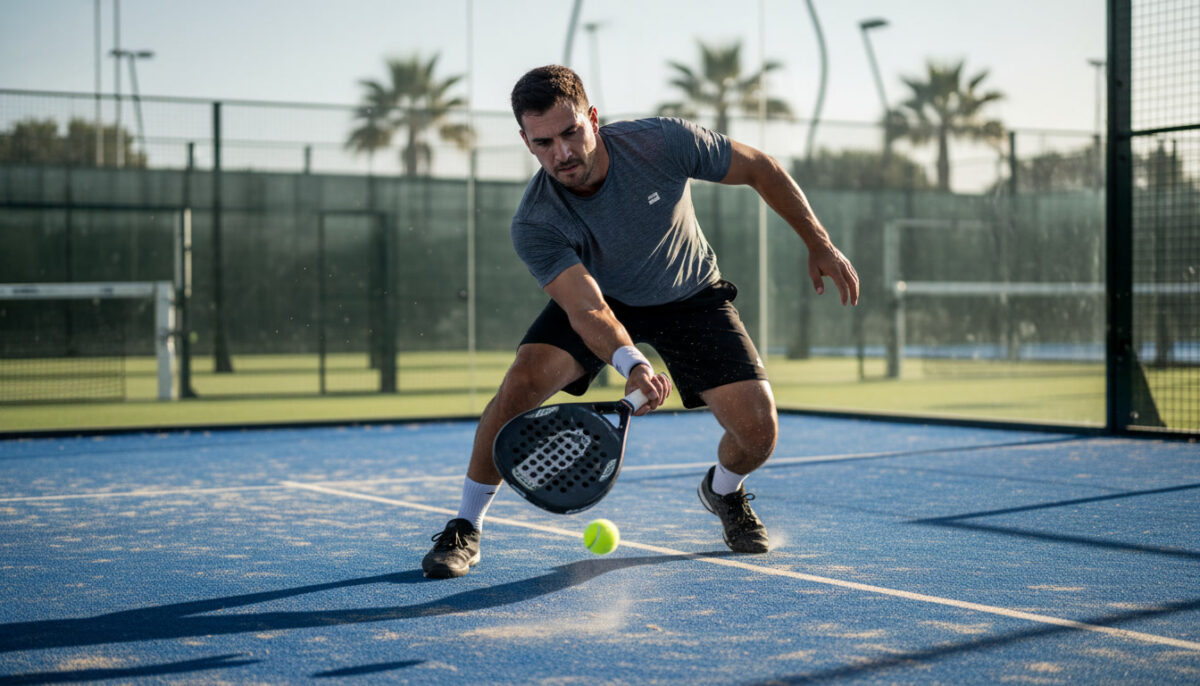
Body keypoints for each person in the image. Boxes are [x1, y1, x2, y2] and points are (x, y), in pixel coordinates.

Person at [422, 65, 858, 579]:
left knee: (758, 433)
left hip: (690, 292)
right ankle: (465, 525)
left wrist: (819, 243)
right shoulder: (536, 221)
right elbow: (586, 308)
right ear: (526, 141)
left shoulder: (660, 142)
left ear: (593, 118)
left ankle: (723, 492)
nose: (562, 153)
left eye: (571, 132)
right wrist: (631, 363)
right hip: (605, 300)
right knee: (522, 382)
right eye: (543, 142)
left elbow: (760, 168)